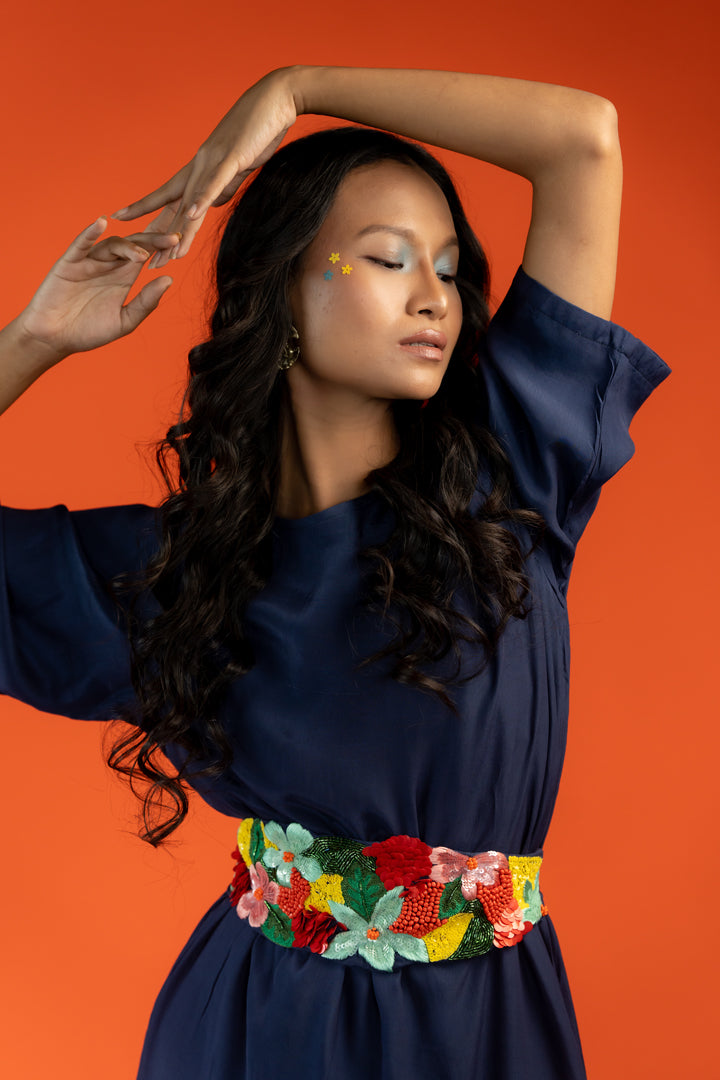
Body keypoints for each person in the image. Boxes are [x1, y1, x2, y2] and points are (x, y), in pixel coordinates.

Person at [0, 66, 671, 1079]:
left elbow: (584, 141)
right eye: (389, 259)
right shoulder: (175, 578)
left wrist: (298, 87)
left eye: (449, 268)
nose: (435, 295)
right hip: (252, 1034)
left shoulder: (513, 480)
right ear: (283, 294)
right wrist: (32, 339)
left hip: (492, 1035)